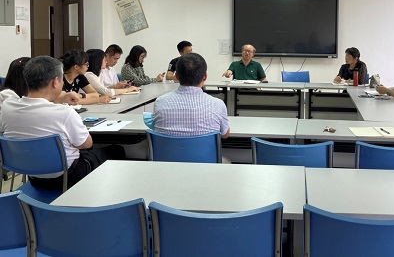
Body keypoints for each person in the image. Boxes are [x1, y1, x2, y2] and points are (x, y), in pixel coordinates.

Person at [0, 56, 125, 190]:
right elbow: (86, 144)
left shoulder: (7, 106)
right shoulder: (64, 112)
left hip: (33, 178)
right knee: (117, 150)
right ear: (55, 82)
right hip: (68, 178)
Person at [153, 53, 230, 138]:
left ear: (177, 76)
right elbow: (224, 134)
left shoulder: (160, 102)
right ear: (205, 77)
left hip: (167, 147)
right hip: (203, 147)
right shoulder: (218, 105)